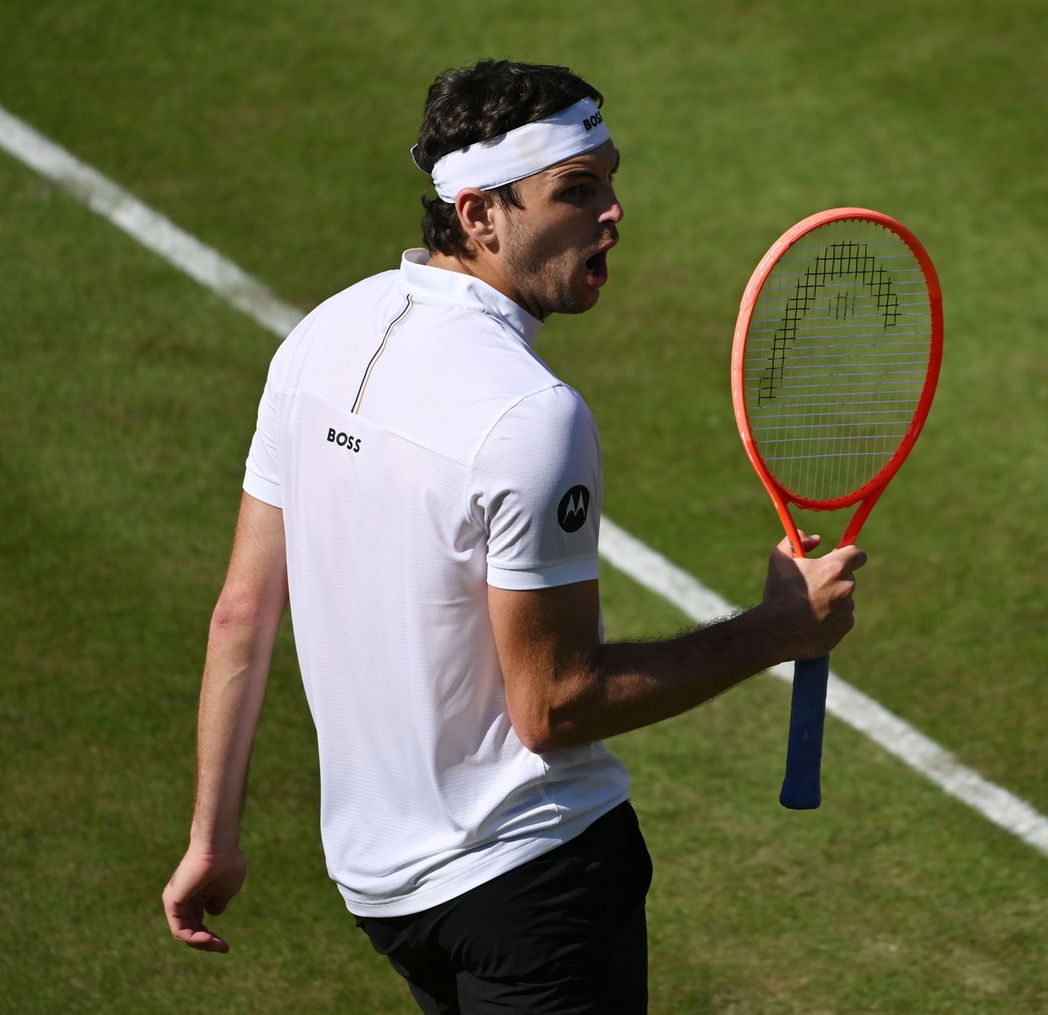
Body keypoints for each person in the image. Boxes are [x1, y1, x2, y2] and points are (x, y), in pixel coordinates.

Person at [162, 60, 866, 1015]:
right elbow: (556, 705)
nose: (613, 211)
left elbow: (240, 612)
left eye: (610, 179)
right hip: (534, 882)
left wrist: (211, 835)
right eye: (576, 189)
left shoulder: (319, 336)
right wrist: (775, 631)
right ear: (479, 215)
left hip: (380, 887)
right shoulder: (532, 414)